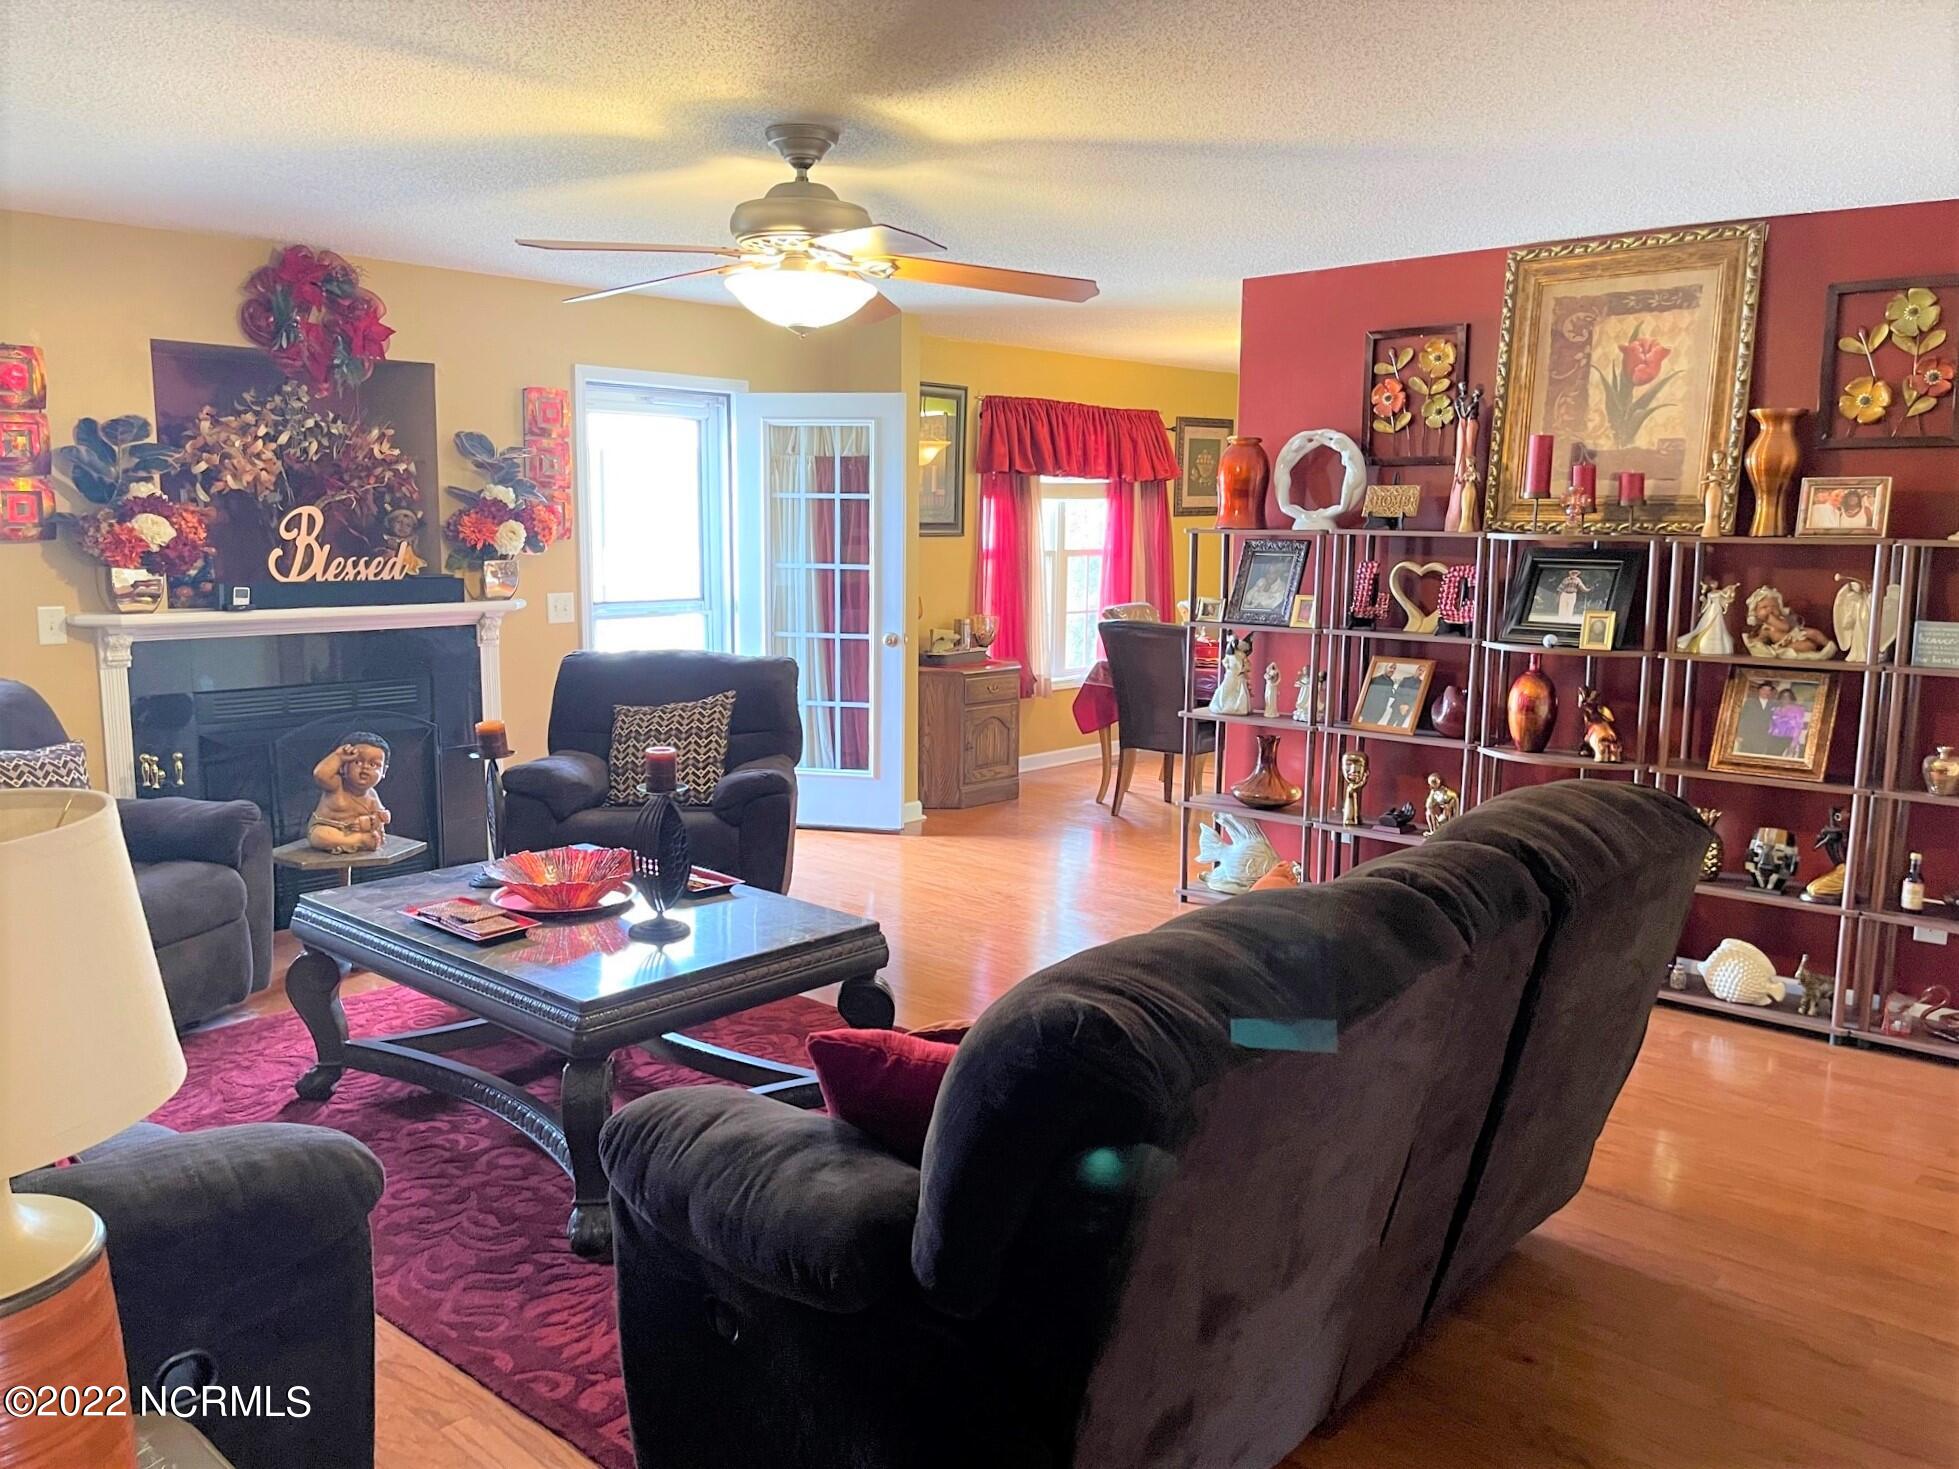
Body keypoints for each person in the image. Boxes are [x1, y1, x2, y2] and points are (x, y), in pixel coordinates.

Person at [308, 733, 392, 853]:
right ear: (342, 766)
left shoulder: (372, 795)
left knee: (376, 832)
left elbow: (378, 816)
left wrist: (381, 817)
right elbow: (320, 775)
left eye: (373, 764)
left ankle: (361, 839)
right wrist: (338, 756)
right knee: (320, 835)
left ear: (384, 771)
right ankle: (358, 840)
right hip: (330, 828)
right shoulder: (336, 785)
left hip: (358, 830)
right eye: (357, 762)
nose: (365, 768)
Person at [1736, 680, 1778, 756]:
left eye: (1768, 690)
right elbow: (1743, 718)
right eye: (1764, 689)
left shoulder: (1773, 704)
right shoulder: (1750, 702)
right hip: (1749, 735)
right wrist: (1740, 734)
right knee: (1744, 755)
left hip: (1763, 736)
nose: (1766, 692)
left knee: (1757, 756)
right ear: (1759, 690)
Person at [1769, 687, 1808, 757]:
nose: (1785, 698)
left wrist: (1793, 744)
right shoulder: (1775, 709)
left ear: (1791, 698)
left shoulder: (1797, 710)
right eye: (1783, 696)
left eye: (1788, 697)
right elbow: (1771, 726)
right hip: (1774, 739)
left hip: (1788, 739)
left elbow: (1798, 728)